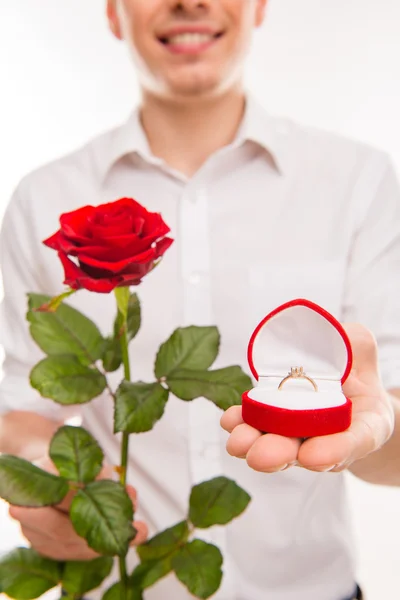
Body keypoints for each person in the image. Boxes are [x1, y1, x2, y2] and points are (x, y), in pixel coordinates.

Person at [1, 1, 399, 599]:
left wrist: (380, 428)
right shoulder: (44, 197)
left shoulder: (357, 182)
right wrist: (54, 481)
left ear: (259, 5)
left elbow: (390, 422)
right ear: (114, 13)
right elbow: (19, 408)